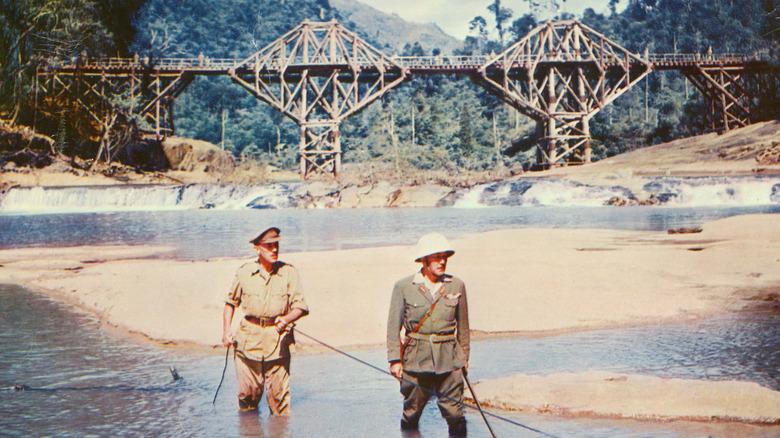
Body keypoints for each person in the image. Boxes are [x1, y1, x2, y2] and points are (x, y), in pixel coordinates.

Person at [387, 232, 470, 436]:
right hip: (415, 361)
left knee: (456, 414)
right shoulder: (404, 287)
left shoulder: (456, 285)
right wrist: (395, 360)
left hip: (449, 360)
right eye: (436, 257)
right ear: (424, 260)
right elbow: (393, 327)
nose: (442, 261)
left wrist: (464, 359)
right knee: (412, 412)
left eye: (444, 257)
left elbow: (464, 328)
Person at [222, 226, 309, 414]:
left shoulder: (289, 272)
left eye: (276, 245)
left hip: (278, 343)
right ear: (257, 248)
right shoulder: (244, 273)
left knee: (280, 402)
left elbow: (301, 307)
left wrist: (286, 318)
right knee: (248, 397)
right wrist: (226, 331)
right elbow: (230, 303)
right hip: (248, 344)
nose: (274, 250)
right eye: (269, 246)